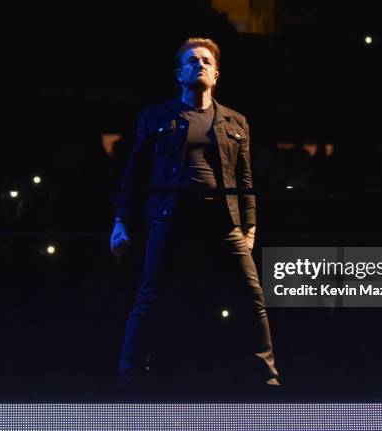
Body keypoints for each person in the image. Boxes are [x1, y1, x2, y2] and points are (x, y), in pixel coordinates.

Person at [110, 37, 280, 388]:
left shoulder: (235, 121)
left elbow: (246, 180)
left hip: (222, 219)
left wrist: (249, 226)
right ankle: (127, 375)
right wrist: (120, 221)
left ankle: (267, 378)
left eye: (206, 60)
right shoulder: (157, 117)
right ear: (179, 72)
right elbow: (134, 173)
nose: (199, 64)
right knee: (149, 296)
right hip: (169, 216)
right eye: (191, 60)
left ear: (216, 74)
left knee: (253, 296)